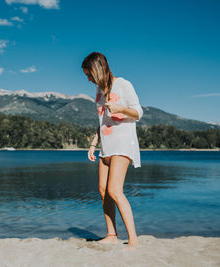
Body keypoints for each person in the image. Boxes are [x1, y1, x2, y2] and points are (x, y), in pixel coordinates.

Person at [81, 52, 143, 249]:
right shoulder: (99, 92)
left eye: (89, 74)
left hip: (122, 144)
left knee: (115, 190)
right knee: (103, 191)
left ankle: (133, 240)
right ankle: (111, 235)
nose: (88, 79)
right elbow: (102, 122)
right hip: (106, 147)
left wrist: (121, 109)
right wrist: (93, 143)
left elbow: (138, 113)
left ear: (98, 69)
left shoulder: (123, 84)